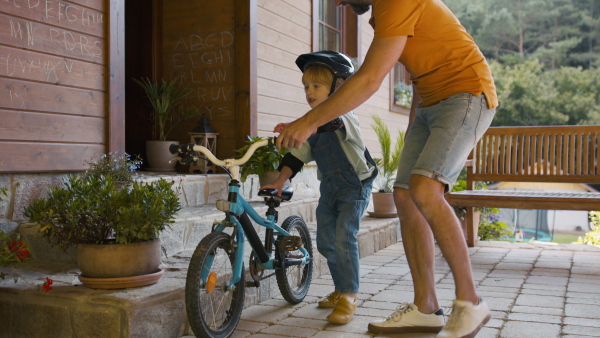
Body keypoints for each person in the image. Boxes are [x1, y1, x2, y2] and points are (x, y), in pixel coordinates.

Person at [275, 1, 498, 337]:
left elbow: (370, 78)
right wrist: (415, 126)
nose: (339, 2)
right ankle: (426, 308)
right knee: (406, 196)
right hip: (428, 106)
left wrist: (307, 122)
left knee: (425, 189)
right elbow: (420, 70)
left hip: (466, 94)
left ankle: (471, 302)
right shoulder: (382, 13)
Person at [263, 50, 377, 325]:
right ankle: (340, 289)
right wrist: (281, 179)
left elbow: (331, 123)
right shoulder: (310, 121)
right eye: (306, 87)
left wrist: (303, 124)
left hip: (355, 186)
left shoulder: (344, 114)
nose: (309, 92)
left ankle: (350, 295)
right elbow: (297, 156)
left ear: (338, 87)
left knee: (343, 238)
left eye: (316, 86)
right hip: (331, 188)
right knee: (326, 242)